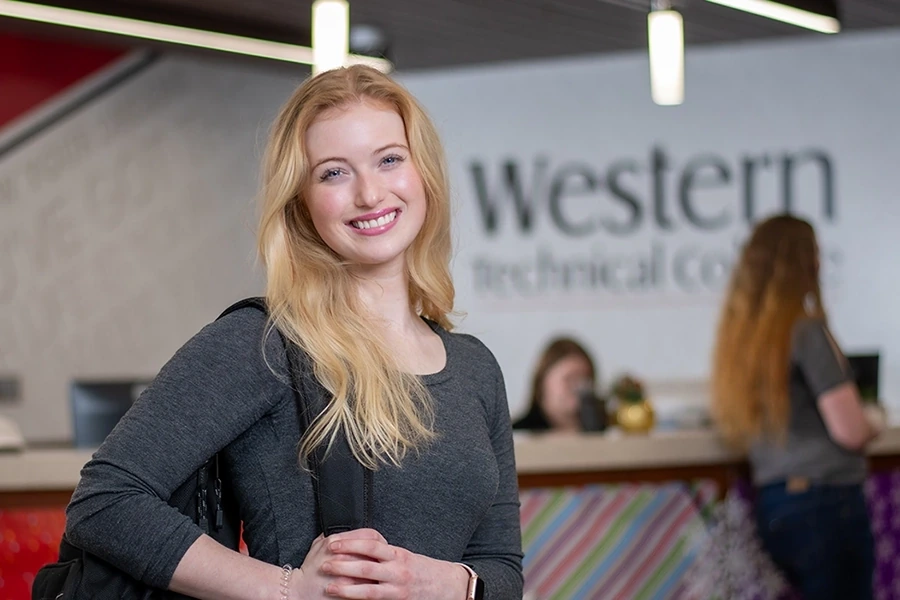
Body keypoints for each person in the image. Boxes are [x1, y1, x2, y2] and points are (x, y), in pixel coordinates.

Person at [64, 65, 523, 600]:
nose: (370, 193)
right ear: (301, 201)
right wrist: (286, 590)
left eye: (390, 159)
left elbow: (503, 568)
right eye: (333, 173)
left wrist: (450, 584)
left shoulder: (474, 368)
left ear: (423, 172)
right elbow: (105, 499)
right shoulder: (262, 345)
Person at [711, 214, 884, 600]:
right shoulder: (806, 330)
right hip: (826, 504)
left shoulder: (741, 343)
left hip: (775, 508)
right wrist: (877, 420)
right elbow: (850, 429)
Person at [512, 337, 598, 432]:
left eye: (586, 380)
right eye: (569, 379)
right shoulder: (515, 436)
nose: (579, 387)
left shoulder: (606, 435)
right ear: (542, 383)